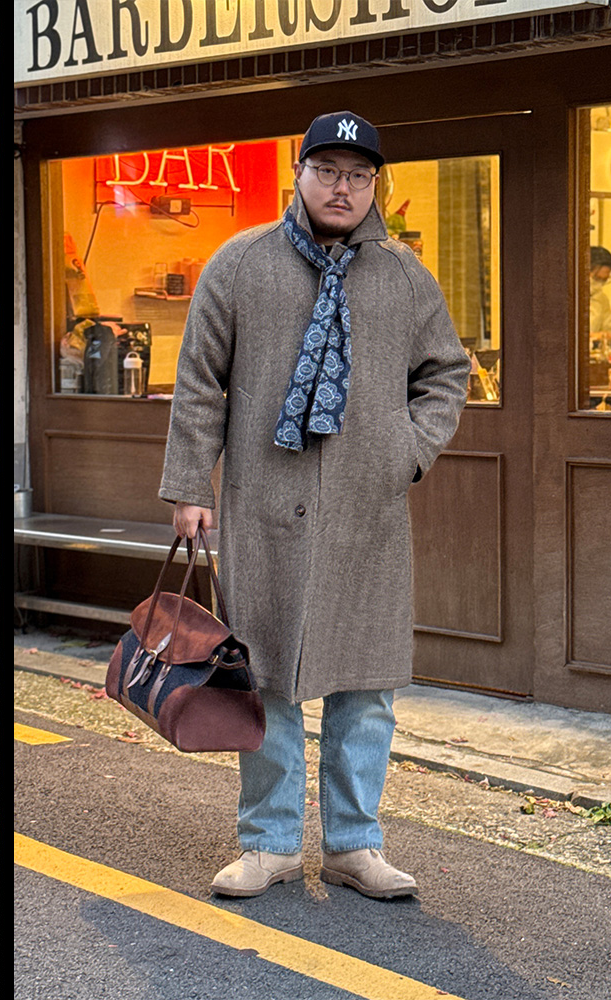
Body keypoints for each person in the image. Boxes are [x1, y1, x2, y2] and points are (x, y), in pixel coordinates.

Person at [159, 111, 468, 900]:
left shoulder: (404, 276)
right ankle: (268, 844)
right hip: (265, 507)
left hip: (368, 515)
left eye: (358, 175)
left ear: (376, 187)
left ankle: (356, 846)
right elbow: (198, 380)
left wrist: (408, 448)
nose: (343, 187)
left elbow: (446, 374)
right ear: (297, 176)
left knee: (365, 691)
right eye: (327, 171)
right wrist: (191, 487)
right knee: (266, 681)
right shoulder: (241, 263)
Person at [590, 245, 611, 349]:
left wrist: (604, 336)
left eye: (604, 280)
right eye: (597, 278)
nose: (599, 284)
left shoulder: (601, 299)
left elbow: (610, 334)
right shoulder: (562, 295)